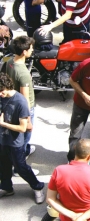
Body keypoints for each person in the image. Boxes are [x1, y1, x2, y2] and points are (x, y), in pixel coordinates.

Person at [0, 73, 45, 204]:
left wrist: (3, 124)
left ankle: (38, 186)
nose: (0, 95)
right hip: (2, 140)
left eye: (2, 92)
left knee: (20, 168)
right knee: (3, 166)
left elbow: (22, 128)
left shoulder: (20, 101)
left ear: (8, 86)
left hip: (15, 142)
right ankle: (6, 187)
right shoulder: (2, 96)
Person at [47, 138, 90, 221]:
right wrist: (82, 218)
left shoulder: (59, 171)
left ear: (75, 149)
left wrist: (72, 215)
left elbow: (50, 198)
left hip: (67, 218)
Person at [6, 36, 39, 176]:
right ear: (24, 52)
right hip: (24, 109)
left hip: (11, 104)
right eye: (30, 48)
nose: (32, 50)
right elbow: (25, 98)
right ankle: (19, 166)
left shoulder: (9, 62)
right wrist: (28, 120)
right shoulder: (23, 73)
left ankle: (24, 151)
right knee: (23, 138)